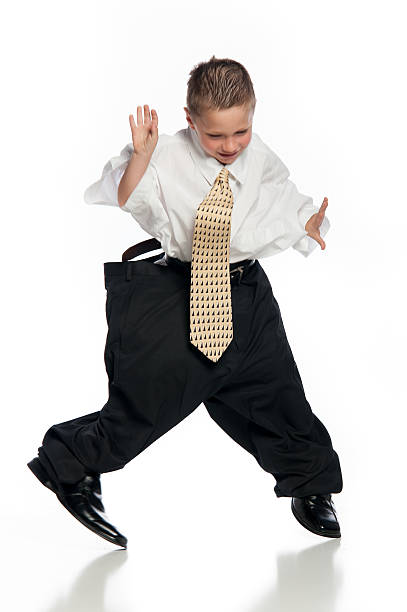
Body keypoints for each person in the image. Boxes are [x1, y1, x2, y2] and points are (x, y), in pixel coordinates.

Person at [27, 56, 343, 548]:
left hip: (247, 295)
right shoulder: (164, 153)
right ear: (191, 119)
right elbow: (128, 198)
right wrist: (139, 157)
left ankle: (312, 485)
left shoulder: (256, 155)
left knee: (280, 395)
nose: (230, 146)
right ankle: (71, 466)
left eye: (241, 131)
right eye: (216, 136)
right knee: (148, 403)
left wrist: (309, 224)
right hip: (181, 291)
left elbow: (284, 198)